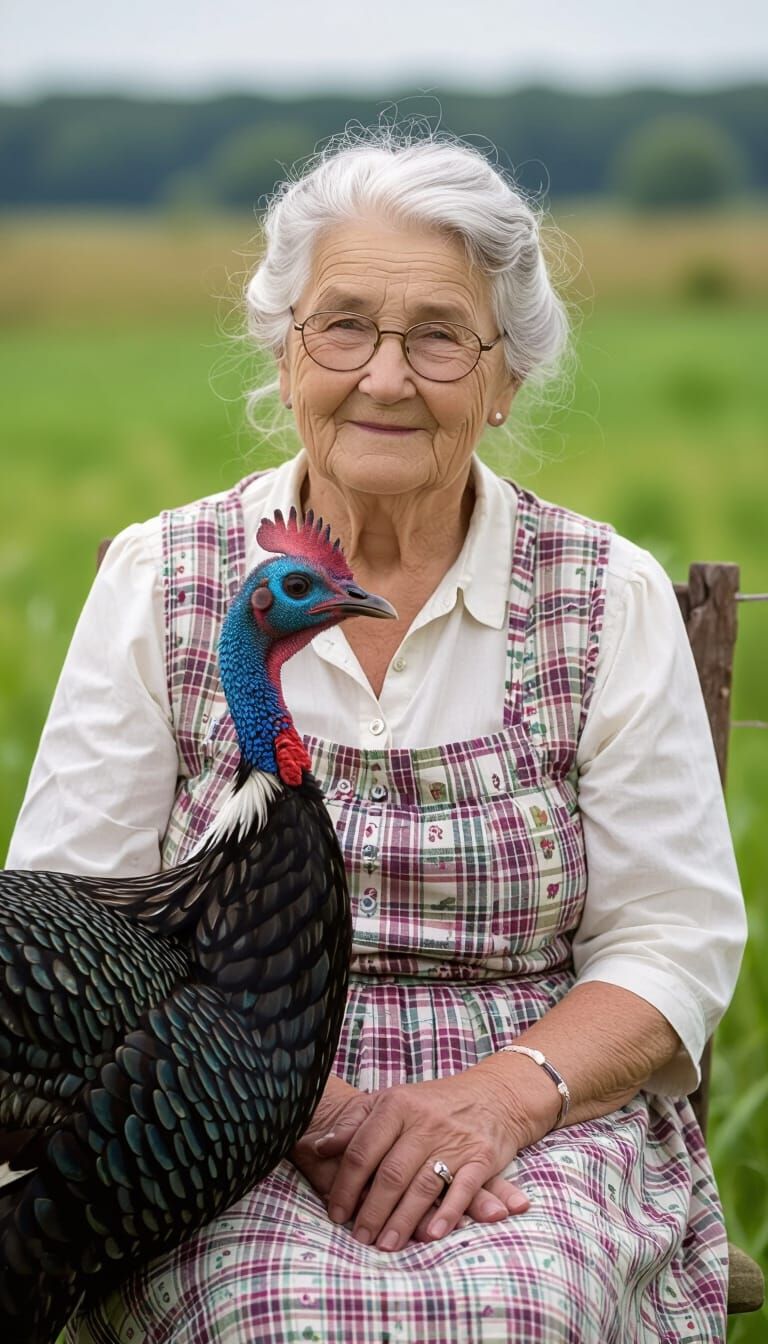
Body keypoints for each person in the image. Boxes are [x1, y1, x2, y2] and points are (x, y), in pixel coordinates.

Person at [8, 132, 746, 1343]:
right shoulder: (169, 577)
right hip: (202, 1110)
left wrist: (502, 1098)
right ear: (286, 352)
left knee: (520, 1310)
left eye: (440, 335)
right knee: (271, 1317)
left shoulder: (599, 590)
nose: (386, 377)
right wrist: (310, 1106)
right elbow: (61, 929)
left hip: (531, 1108)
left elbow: (673, 936)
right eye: (343, 325)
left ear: (506, 378)